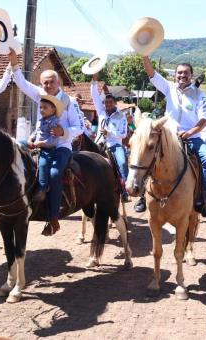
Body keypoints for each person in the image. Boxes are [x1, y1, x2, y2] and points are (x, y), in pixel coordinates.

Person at [9, 51, 83, 236]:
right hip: (39, 142)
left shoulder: (69, 101)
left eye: (51, 81)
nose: (48, 85)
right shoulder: (40, 95)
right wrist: (14, 63)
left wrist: (64, 132)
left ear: (58, 82)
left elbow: (79, 127)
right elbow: (22, 83)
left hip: (62, 146)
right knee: (13, 149)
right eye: (45, 82)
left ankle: (53, 217)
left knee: (55, 173)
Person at [141, 56, 206, 218]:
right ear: (174, 75)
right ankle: (141, 195)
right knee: (147, 152)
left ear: (191, 75)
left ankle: (204, 200)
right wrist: (144, 54)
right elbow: (151, 73)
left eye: (186, 73)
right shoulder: (169, 88)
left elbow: (204, 119)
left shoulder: (200, 95)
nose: (182, 75)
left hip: (192, 137)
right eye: (179, 73)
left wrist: (190, 132)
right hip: (168, 136)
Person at [90, 73, 130, 202]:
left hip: (115, 145)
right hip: (98, 144)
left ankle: (125, 190)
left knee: (123, 163)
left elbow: (123, 134)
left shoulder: (121, 116)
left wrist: (110, 133)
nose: (107, 104)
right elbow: (94, 94)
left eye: (110, 102)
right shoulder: (101, 111)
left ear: (115, 103)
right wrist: (94, 78)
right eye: (106, 102)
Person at [28, 95, 63, 203]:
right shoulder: (40, 120)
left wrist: (40, 144)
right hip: (36, 145)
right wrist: (30, 139)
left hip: (47, 149)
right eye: (41, 107)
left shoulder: (54, 122)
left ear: (53, 110)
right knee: (19, 144)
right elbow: (35, 132)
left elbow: (53, 141)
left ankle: (42, 188)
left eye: (45, 108)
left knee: (43, 164)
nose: (42, 110)